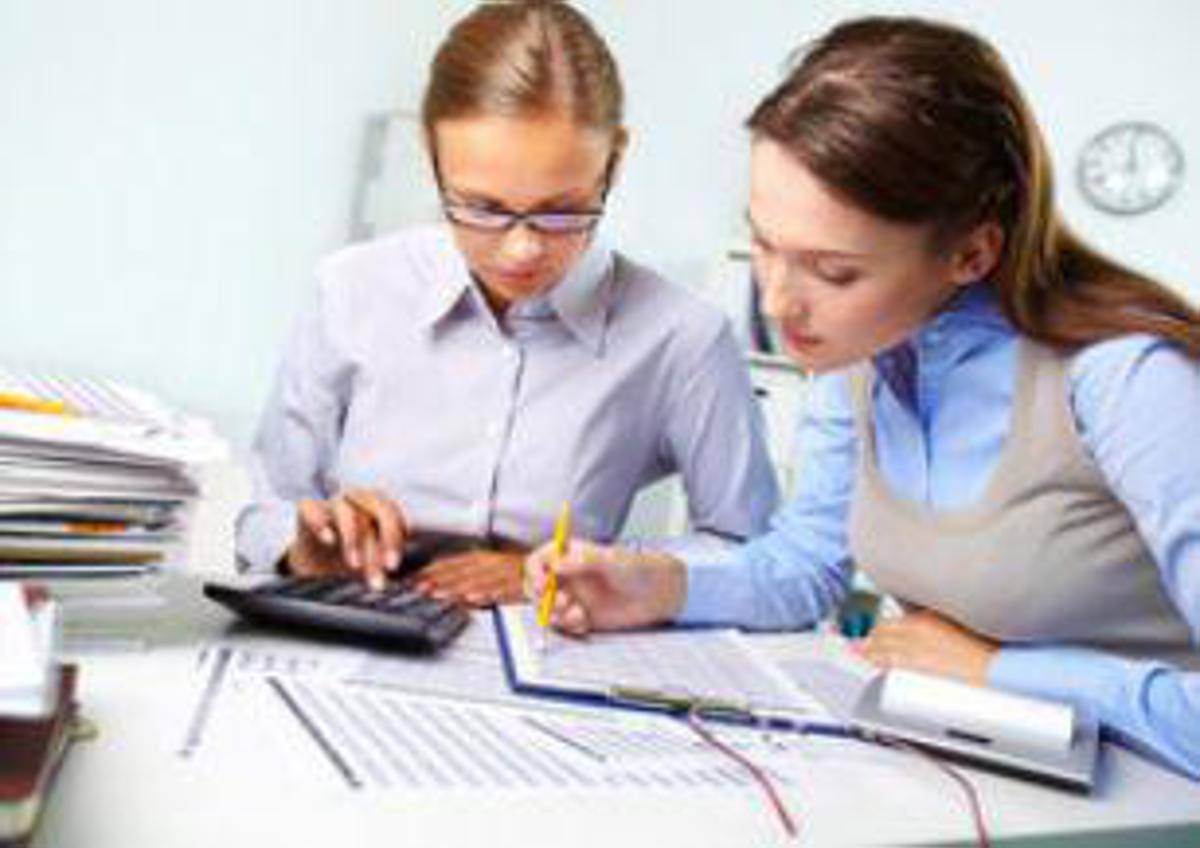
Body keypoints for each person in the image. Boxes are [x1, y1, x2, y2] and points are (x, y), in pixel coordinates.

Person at [526, 16, 1200, 777]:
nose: (777, 302)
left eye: (834, 272)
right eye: (765, 245)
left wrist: (999, 670)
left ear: (972, 252)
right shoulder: (861, 358)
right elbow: (810, 565)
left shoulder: (1132, 382)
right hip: (984, 777)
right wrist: (658, 587)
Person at [234, 0, 778, 606]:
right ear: (431, 153)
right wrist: (303, 549)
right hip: (348, 619)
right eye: (482, 208)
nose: (521, 250)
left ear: (614, 161)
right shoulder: (352, 290)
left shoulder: (683, 337)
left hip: (549, 644)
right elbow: (264, 508)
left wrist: (579, 571)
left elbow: (751, 552)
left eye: (562, 211)